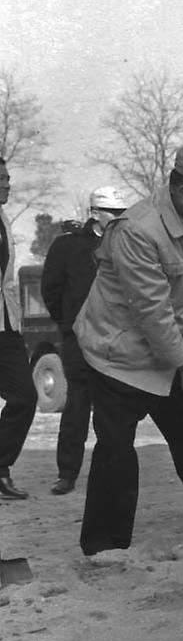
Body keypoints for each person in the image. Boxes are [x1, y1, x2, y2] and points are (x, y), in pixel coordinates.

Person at [73, 141, 183, 555]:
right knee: (116, 450)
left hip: (177, 346)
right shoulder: (137, 229)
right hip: (118, 355)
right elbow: (151, 311)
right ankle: (105, 549)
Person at [41, 185, 128, 495]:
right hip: (78, 338)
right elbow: (51, 290)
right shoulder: (68, 247)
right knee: (77, 403)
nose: (119, 219)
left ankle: (110, 473)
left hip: (117, 337)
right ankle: (67, 473)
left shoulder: (128, 244)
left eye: (122, 213)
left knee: (113, 406)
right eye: (112, 214)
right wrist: (69, 323)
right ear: (95, 214)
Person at [0, 157, 38, 500]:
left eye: (8, 178)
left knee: (25, 397)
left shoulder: (4, 220)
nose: (8, 184)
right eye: (1, 179)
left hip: (5, 325)